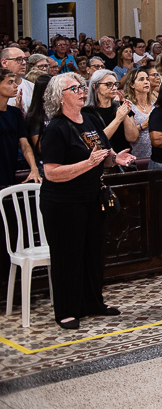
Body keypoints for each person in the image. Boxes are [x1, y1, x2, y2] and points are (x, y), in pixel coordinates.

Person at [40, 73, 136, 329]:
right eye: (74, 88)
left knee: (93, 253)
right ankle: (67, 310)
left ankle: (93, 302)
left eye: (82, 87)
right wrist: (88, 164)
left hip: (91, 197)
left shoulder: (90, 119)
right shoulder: (56, 128)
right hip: (63, 202)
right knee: (67, 256)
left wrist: (115, 159)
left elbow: (102, 153)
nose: (82, 91)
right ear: (60, 97)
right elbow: (50, 172)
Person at [0, 69, 40, 187]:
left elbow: (24, 143)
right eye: (10, 82)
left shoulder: (15, 113)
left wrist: (34, 168)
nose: (15, 85)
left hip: (9, 168)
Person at [85, 69, 137, 155]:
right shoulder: (87, 112)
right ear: (95, 87)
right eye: (108, 84)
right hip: (102, 161)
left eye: (115, 84)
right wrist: (118, 119)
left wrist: (124, 115)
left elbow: (132, 137)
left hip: (126, 159)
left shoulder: (121, 106)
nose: (114, 88)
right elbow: (98, 142)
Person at [122, 67, 155, 159]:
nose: (146, 82)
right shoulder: (128, 106)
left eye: (147, 79)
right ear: (132, 85)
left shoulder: (155, 105)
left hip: (157, 153)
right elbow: (127, 135)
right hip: (137, 155)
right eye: (141, 79)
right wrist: (143, 125)